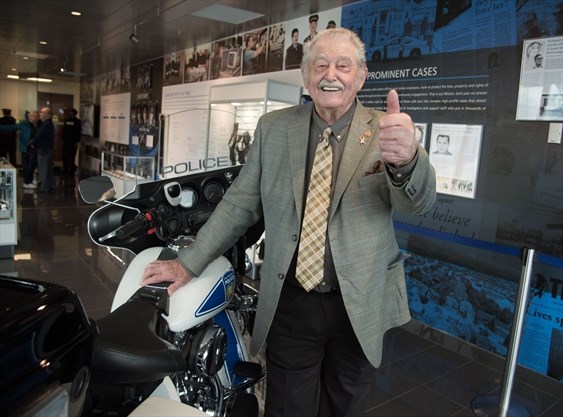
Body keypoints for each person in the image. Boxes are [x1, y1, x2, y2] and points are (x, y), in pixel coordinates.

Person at [140, 28, 436, 417]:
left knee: (345, 405)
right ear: (306, 76)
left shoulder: (387, 130)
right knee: (285, 408)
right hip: (293, 300)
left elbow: (419, 204)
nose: (331, 75)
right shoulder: (274, 129)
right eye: (321, 65)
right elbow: (240, 203)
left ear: (361, 77)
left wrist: (409, 161)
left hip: (361, 302)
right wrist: (187, 263)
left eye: (343, 65)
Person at [0, 110, 40, 189]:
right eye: (29, 116)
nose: (30, 117)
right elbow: (11, 128)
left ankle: (30, 180)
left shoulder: (40, 124)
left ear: (37, 117)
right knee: (27, 166)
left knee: (33, 165)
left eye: (32, 116)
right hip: (26, 148)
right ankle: (26, 182)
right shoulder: (24, 124)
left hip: (35, 148)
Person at [29, 107, 57, 193]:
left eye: (42, 113)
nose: (40, 114)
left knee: (43, 169)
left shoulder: (45, 124)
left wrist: (33, 143)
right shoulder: (48, 124)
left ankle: (44, 188)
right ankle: (53, 185)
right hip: (47, 149)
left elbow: (39, 136)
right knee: (48, 168)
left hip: (43, 149)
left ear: (48, 115)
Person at [61, 107, 82, 176]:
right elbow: (64, 130)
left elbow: (78, 132)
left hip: (72, 142)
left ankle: (71, 170)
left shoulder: (77, 121)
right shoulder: (67, 120)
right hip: (67, 141)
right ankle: (65, 169)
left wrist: (77, 141)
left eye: (71, 113)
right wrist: (63, 139)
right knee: (65, 156)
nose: (70, 114)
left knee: (72, 156)